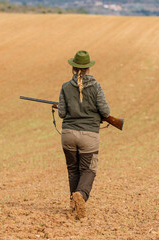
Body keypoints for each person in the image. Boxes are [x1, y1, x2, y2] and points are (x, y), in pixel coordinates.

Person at [57, 50, 110, 219]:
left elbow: (62, 113)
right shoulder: (95, 86)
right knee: (88, 170)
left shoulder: (65, 86)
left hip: (68, 134)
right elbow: (105, 111)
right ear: (88, 68)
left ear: (73, 67)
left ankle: (74, 204)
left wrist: (60, 107)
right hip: (89, 135)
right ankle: (81, 195)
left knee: (73, 170)